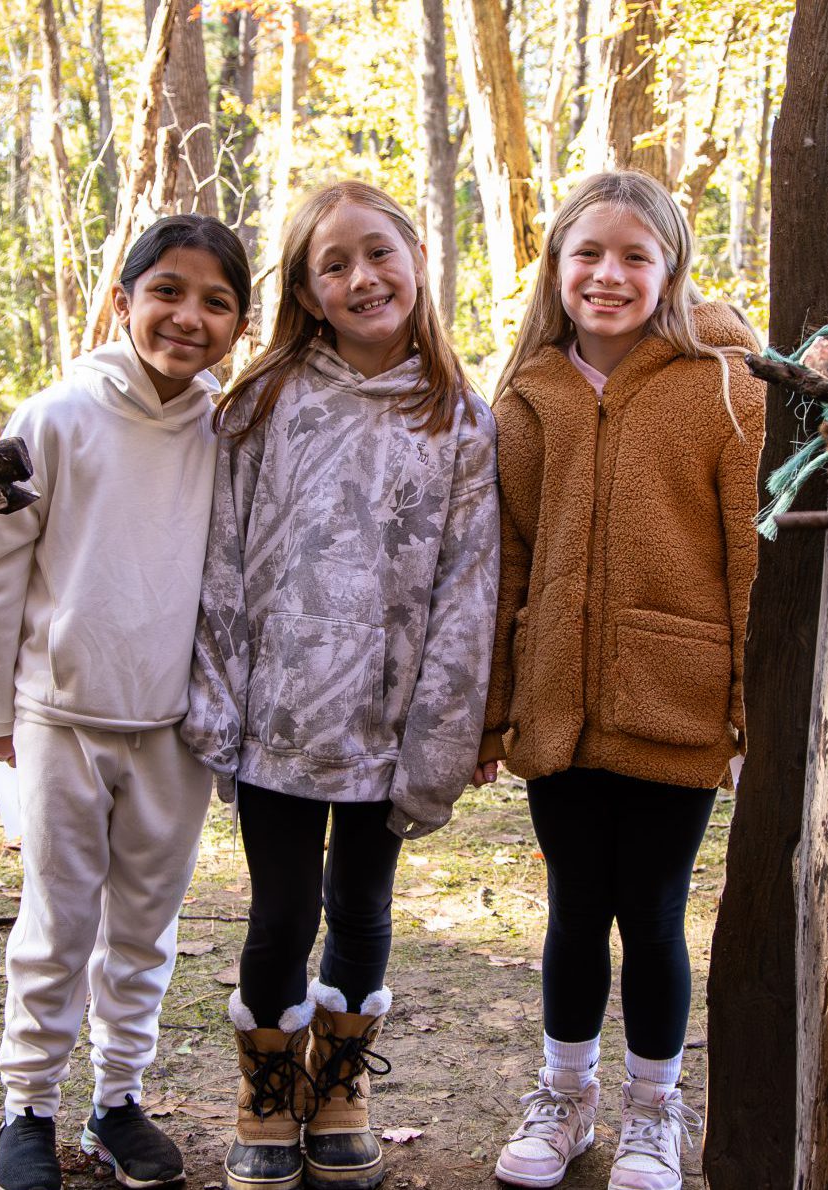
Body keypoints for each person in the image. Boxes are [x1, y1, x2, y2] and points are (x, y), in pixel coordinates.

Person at [183, 179, 499, 1190]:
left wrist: (440, 733)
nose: (362, 277)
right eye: (334, 265)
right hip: (276, 715)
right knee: (279, 912)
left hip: (388, 720)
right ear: (308, 292)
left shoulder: (459, 419)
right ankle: (265, 1092)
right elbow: (223, 558)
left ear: (415, 256)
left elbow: (466, 586)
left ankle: (343, 1081)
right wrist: (216, 696)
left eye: (378, 253)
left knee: (361, 907)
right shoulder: (264, 404)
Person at [478, 170, 765, 1190]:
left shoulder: (725, 387)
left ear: (670, 269)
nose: (608, 274)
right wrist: (491, 708)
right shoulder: (526, 396)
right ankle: (564, 1096)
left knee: (650, 910)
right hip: (556, 704)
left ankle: (653, 1110)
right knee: (571, 906)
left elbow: (747, 557)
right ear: (555, 268)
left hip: (672, 702)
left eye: (634, 256)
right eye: (587, 254)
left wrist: (744, 712)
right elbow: (506, 558)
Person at [0, 213, 252, 1190]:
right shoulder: (55, 418)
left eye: (216, 300)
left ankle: (118, 1095)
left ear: (240, 324)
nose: (187, 315)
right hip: (59, 718)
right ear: (123, 299)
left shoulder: (228, 433)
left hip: (175, 730)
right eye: (166, 289)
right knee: (55, 919)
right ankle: (26, 1107)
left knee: (142, 927)